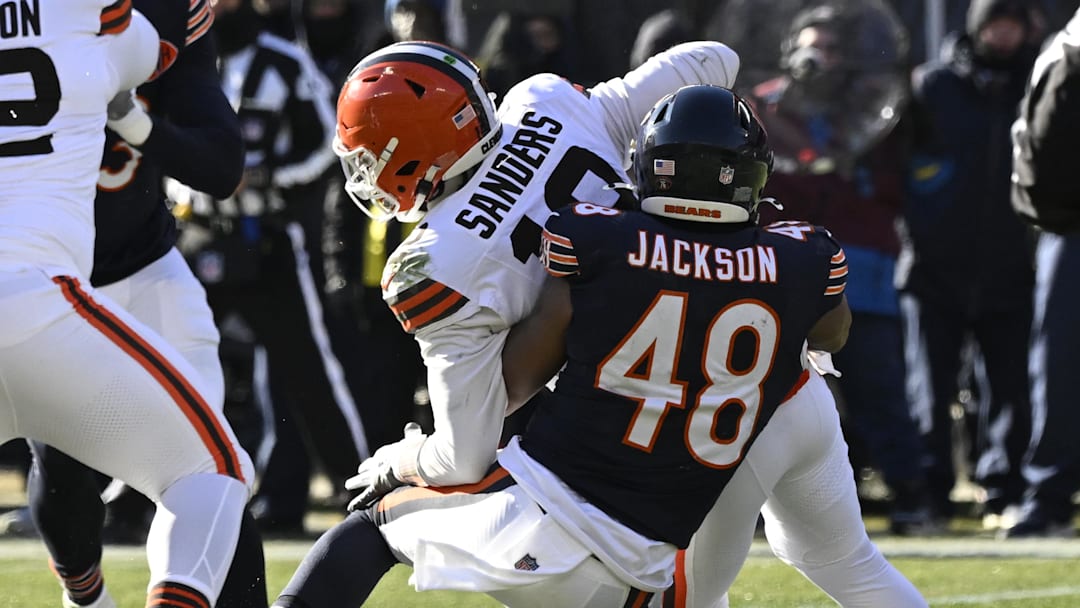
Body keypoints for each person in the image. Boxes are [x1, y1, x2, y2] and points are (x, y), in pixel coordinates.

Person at [273, 84, 927, 607]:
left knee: (367, 531)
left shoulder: (597, 242)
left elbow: (520, 378)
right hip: (776, 408)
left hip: (608, 509)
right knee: (845, 561)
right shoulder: (802, 253)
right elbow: (830, 331)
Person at [270, 39, 742, 607]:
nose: (366, 173)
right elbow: (715, 59)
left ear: (414, 152)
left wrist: (397, 458)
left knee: (373, 524)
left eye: (370, 156)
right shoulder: (545, 102)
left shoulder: (435, 263)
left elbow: (463, 454)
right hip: (735, 377)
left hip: (614, 434)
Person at [14, 1, 270, 606]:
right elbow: (130, 44)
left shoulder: (161, 13)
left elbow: (220, 164)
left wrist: (134, 123)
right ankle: (86, 595)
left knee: (209, 468)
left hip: (143, 270)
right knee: (67, 485)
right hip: (55, 281)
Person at [177, 0, 369, 533]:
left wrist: (265, 178)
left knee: (309, 374)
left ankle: (361, 493)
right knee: (165, 363)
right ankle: (126, 500)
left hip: (266, 242)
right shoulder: (175, 57)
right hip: (194, 236)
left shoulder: (282, 61)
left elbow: (330, 147)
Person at [745, 2, 933, 536]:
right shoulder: (764, 108)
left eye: (830, 48)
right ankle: (755, 502)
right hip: (783, 271)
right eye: (810, 45)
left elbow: (892, 186)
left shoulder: (874, 109)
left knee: (879, 386)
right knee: (772, 391)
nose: (817, 57)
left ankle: (911, 495)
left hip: (863, 266)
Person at [902, 0, 1039, 530]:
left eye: (1012, 24)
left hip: (1012, 266)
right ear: (978, 27)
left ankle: (1002, 492)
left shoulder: (1038, 83)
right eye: (994, 24)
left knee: (1011, 390)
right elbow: (902, 166)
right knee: (928, 393)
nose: (1002, 35)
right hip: (933, 268)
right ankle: (930, 496)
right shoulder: (931, 86)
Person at [1004, 7, 1080, 538]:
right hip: (1068, 226)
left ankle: (1047, 492)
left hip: (1063, 227)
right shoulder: (1067, 50)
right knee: (1058, 362)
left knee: (1058, 361)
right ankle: (1048, 490)